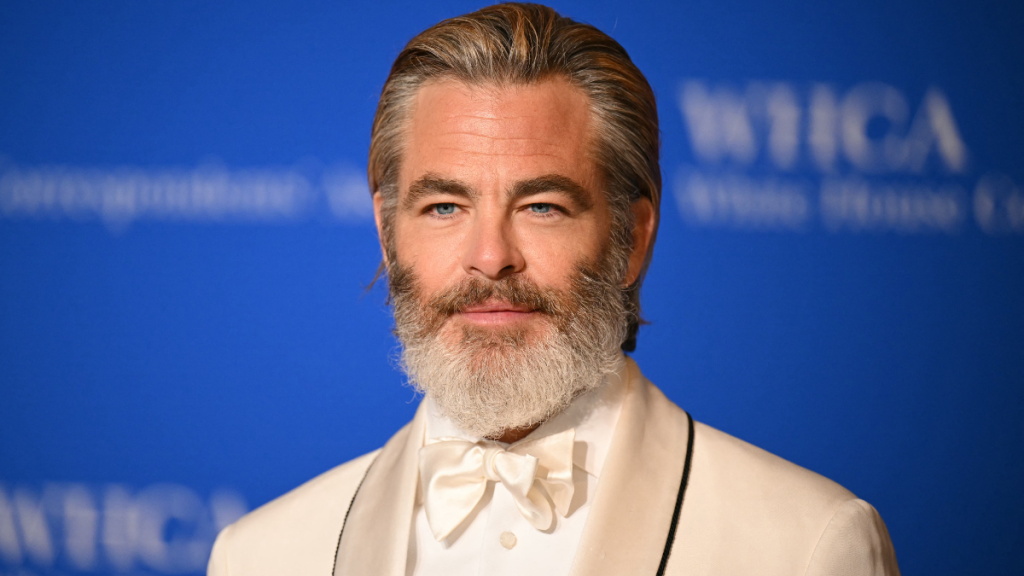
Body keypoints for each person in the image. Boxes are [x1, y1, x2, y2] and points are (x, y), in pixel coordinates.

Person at [207, 4, 900, 575]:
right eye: (445, 206)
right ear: (389, 238)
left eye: (543, 206)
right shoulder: (261, 554)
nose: (491, 259)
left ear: (632, 238)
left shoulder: (809, 544)